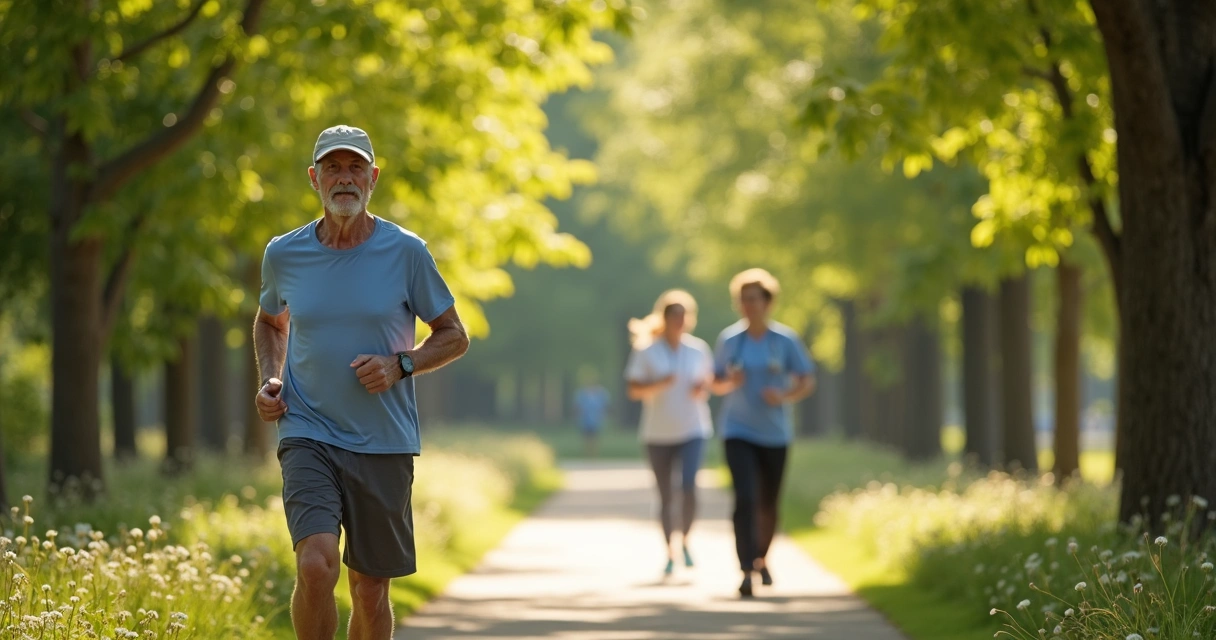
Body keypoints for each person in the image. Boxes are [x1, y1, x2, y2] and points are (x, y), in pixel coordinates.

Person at [253, 125, 470, 640]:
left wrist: (402, 364)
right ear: (314, 179)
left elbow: (454, 336)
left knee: (370, 592)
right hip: (308, 429)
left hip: (384, 439)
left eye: (355, 168)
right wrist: (271, 378)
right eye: (333, 167)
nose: (344, 178)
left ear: (373, 177)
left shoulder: (406, 251)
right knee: (315, 566)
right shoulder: (284, 253)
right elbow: (269, 321)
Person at [711, 268, 815, 598]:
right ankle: (745, 569)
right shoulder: (729, 339)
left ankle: (762, 558)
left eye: (754, 298)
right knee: (745, 498)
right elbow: (713, 382)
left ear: (768, 302)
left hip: (775, 433)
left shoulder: (784, 340)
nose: (748, 305)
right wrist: (730, 383)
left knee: (768, 503)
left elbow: (806, 380)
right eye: (743, 299)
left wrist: (783, 395)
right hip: (737, 430)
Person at [624, 289, 715, 576]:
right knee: (666, 496)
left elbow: (708, 384)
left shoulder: (698, 349)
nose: (678, 319)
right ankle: (669, 551)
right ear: (663, 318)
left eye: (682, 314)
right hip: (657, 433)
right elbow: (634, 390)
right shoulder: (647, 350)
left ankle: (686, 539)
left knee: (689, 488)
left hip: (693, 429)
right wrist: (660, 384)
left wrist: (703, 388)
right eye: (672, 314)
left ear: (689, 318)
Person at [572, 372, 611, 457]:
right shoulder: (582, 393)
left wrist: (604, 415)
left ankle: (594, 454)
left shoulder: (601, 393)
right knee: (586, 437)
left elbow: (605, 406)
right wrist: (577, 416)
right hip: (585, 420)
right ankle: (587, 454)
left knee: (595, 437)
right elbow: (577, 406)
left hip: (596, 419)